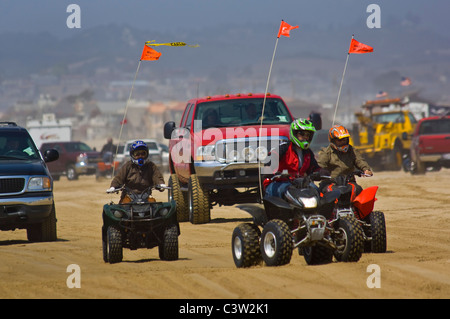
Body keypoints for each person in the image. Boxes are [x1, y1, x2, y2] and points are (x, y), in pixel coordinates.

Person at [264, 118, 322, 199]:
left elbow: (315, 167)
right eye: (302, 134)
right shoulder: (284, 147)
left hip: (301, 183)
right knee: (285, 190)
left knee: (315, 190)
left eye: (307, 135)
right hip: (279, 182)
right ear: (294, 133)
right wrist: (272, 170)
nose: (305, 137)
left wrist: (321, 172)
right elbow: (270, 159)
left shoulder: (308, 152)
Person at [317, 124, 373, 195]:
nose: (343, 142)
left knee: (359, 192)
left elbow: (359, 160)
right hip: (331, 183)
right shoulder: (326, 152)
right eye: (340, 140)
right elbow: (320, 165)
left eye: (345, 139)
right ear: (333, 140)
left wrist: (366, 169)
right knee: (322, 196)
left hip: (348, 182)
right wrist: (321, 173)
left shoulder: (351, 150)